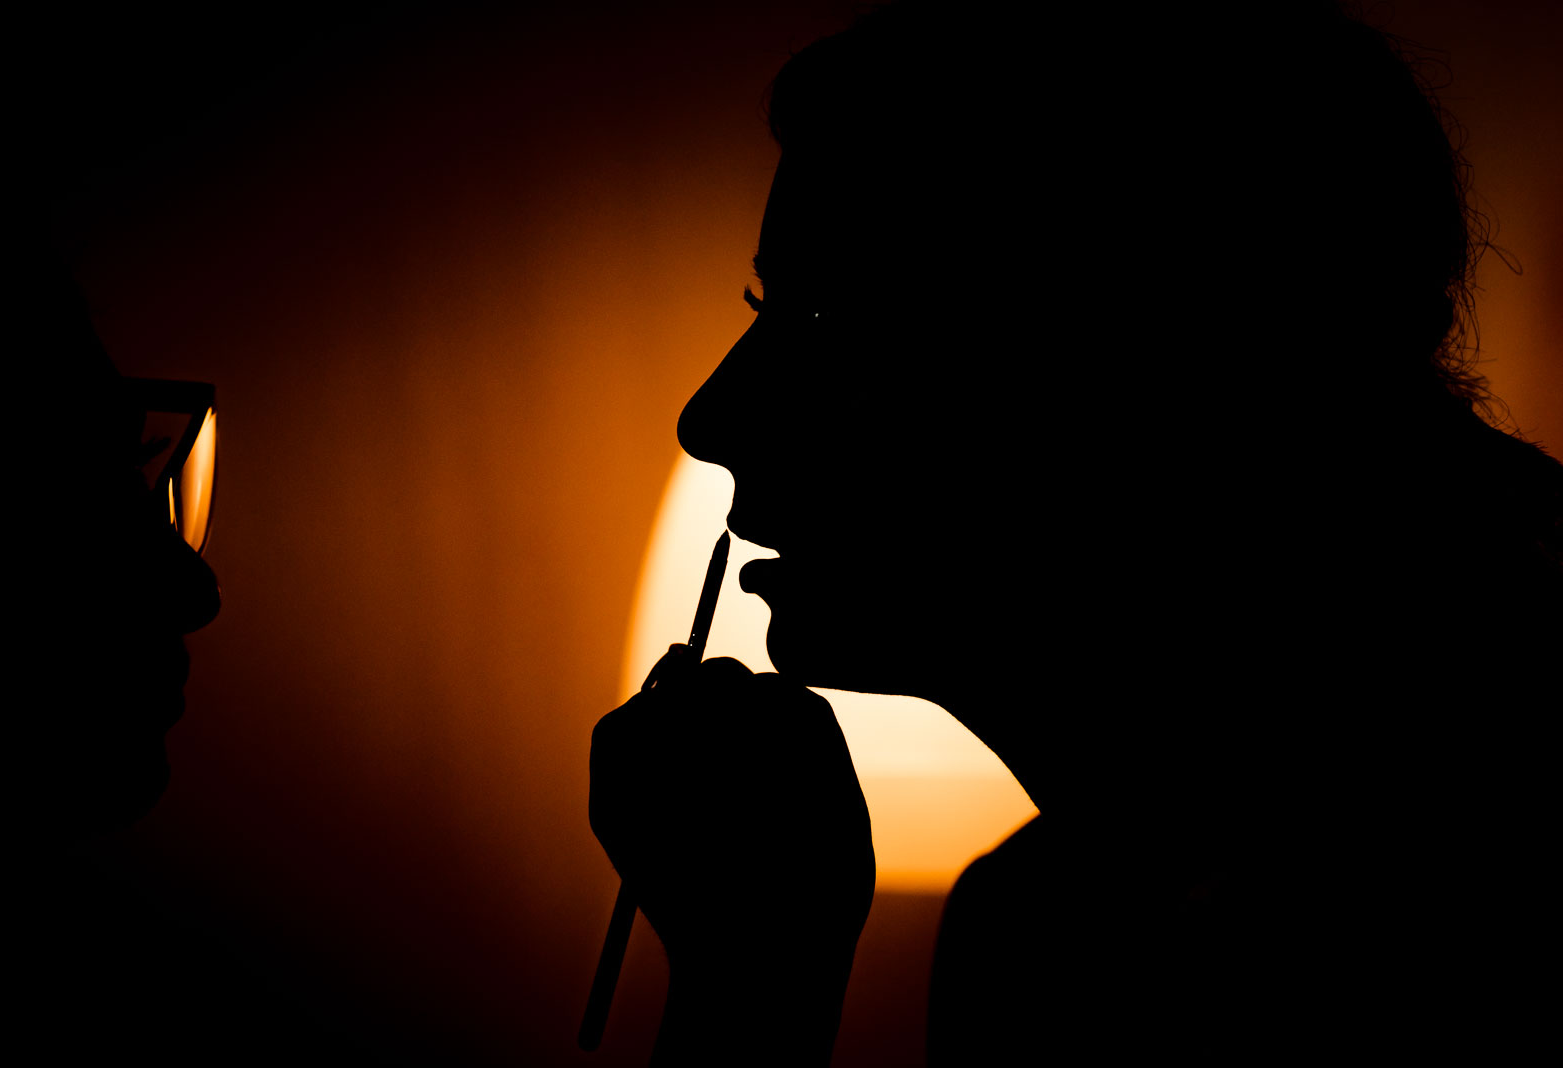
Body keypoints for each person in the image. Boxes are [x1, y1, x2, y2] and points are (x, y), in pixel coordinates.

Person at [590, 1, 1562, 1063]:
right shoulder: (1048, 929)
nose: (711, 416)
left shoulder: (1482, 879)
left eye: (831, 323)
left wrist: (747, 1000)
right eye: (762, 309)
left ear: (1145, 356)